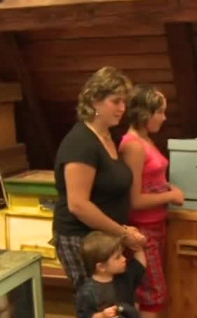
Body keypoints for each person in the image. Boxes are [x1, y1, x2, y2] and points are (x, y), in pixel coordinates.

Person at [52, 66, 145, 290]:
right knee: (98, 303)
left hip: (105, 236)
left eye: (124, 102)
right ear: (95, 101)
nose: (122, 108)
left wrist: (121, 230)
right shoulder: (81, 143)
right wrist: (122, 233)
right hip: (82, 239)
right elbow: (78, 205)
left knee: (115, 301)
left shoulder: (109, 137)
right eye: (115, 102)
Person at [119, 85, 184, 318]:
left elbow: (150, 182)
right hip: (143, 231)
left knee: (152, 294)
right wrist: (171, 196)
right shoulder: (133, 145)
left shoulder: (146, 140)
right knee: (153, 294)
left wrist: (167, 189)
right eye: (160, 111)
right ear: (145, 113)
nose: (164, 117)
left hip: (156, 226)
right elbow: (134, 200)